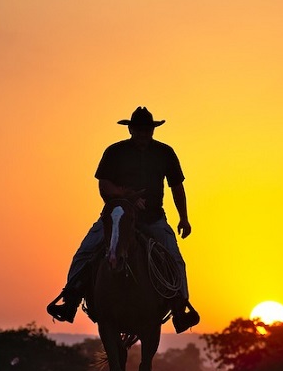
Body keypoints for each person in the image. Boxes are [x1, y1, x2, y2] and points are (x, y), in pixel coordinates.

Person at [47, 106, 199, 333]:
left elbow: (177, 186)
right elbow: (103, 185)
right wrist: (127, 196)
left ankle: (180, 309)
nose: (143, 134)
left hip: (153, 219)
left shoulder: (165, 153)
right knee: (85, 252)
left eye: (147, 130)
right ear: (130, 129)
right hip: (116, 217)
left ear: (153, 130)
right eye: (138, 129)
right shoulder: (114, 152)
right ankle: (70, 300)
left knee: (175, 259)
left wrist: (184, 218)